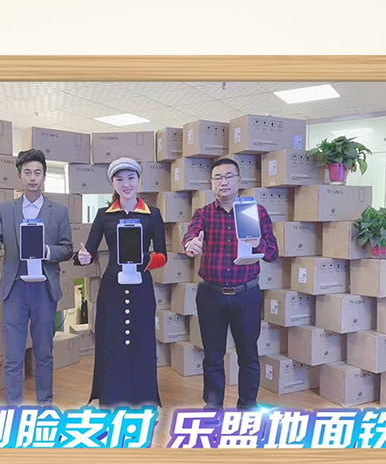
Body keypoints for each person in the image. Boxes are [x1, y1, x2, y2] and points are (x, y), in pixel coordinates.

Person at [182, 157, 279, 409]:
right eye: (218, 178)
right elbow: (191, 235)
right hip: (210, 295)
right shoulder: (203, 214)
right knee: (212, 355)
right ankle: (213, 407)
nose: (223, 182)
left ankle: (247, 406)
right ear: (211, 183)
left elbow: (272, 253)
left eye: (228, 176)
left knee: (248, 355)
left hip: (246, 294)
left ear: (239, 180)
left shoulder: (255, 213)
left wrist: (257, 242)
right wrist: (191, 243)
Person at [0, 149, 73, 405]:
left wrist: (46, 251)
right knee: (13, 355)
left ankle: (45, 405)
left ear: (44, 176)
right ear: (19, 176)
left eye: (38, 173)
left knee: (44, 353)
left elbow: (67, 249)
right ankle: (14, 408)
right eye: (28, 172)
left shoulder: (59, 212)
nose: (33, 178)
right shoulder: (6, 210)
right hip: (15, 290)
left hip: (45, 290)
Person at [75, 157, 167, 407]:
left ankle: (144, 401)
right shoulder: (104, 215)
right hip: (112, 288)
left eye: (130, 178)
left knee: (142, 341)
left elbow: (162, 256)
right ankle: (111, 400)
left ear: (138, 180)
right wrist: (83, 257)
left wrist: (144, 260)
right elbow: (89, 250)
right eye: (119, 179)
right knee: (112, 341)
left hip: (141, 286)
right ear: (113, 184)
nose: (126, 184)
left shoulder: (152, 215)